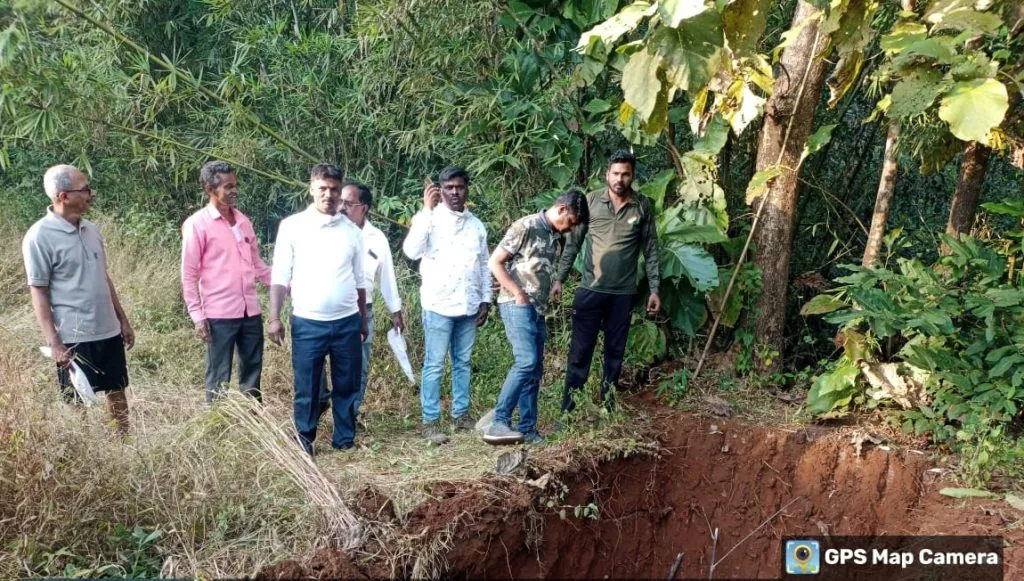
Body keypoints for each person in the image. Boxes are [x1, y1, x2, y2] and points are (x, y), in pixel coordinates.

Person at [22, 164, 135, 437]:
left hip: (107, 329)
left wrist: (122, 319)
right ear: (63, 196)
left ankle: (123, 444)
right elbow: (39, 291)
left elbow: (103, 276)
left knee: (117, 390)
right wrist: (54, 342)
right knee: (76, 400)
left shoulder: (91, 229)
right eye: (84, 189)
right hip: (74, 335)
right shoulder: (39, 237)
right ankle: (83, 448)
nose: (90, 194)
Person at [268, 164, 369, 455]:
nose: (328, 194)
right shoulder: (293, 226)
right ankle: (305, 440)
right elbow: (280, 276)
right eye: (322, 188)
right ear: (311, 188)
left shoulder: (352, 231)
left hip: (347, 320)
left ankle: (344, 439)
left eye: (334, 189)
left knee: (347, 383)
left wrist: (362, 320)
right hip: (308, 321)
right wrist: (274, 318)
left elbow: (360, 280)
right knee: (307, 386)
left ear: (340, 192)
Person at [552, 150, 661, 415]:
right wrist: (559, 279)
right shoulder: (590, 202)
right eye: (615, 173)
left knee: (615, 353)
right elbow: (573, 244)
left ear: (633, 175)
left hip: (623, 294)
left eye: (625, 174)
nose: (619, 179)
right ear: (606, 174)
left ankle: (608, 407)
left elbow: (651, 249)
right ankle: (569, 411)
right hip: (590, 290)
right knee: (580, 353)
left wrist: (655, 288)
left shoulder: (642, 206)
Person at [483, 190, 588, 445]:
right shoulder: (526, 226)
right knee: (526, 361)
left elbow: (536, 267)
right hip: (516, 304)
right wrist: (517, 292)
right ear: (562, 209)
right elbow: (495, 262)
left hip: (538, 309)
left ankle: (527, 429)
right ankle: (498, 422)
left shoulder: (554, 235)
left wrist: (553, 285)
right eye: (571, 221)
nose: (570, 228)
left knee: (535, 369)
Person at [402, 167, 491, 445]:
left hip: (469, 305)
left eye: (459, 187)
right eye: (449, 187)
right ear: (439, 190)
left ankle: (460, 415)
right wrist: (426, 211)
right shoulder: (429, 219)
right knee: (435, 364)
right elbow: (411, 251)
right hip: (438, 304)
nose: (454, 192)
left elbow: (484, 265)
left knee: (463, 362)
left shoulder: (476, 225)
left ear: (467, 189)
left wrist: (486, 299)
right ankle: (430, 420)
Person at [181, 161, 272, 403]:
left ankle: (252, 418)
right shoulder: (197, 224)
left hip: (250, 311)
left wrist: (289, 285)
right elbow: (189, 274)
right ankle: (217, 419)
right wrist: (197, 316)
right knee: (218, 376)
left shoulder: (243, 221)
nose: (234, 191)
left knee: (252, 374)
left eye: (235, 185)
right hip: (219, 314)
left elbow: (258, 265)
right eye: (228, 186)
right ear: (210, 189)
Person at [318, 182, 404, 421]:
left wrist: (395, 311)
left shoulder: (376, 238)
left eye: (348, 203)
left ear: (363, 208)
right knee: (317, 360)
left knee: (358, 366)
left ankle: (348, 417)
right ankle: (321, 401)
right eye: (340, 202)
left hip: (362, 310)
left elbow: (386, 276)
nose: (341, 207)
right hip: (329, 307)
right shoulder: (327, 229)